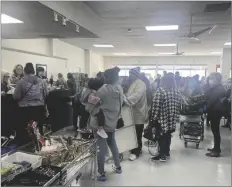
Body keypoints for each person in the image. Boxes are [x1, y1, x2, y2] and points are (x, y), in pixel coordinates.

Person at [88, 67, 123, 181]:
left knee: (100, 147)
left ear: (107, 78)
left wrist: (91, 96)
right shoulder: (119, 89)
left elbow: (91, 104)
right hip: (113, 122)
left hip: (101, 124)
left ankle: (101, 173)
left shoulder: (104, 89)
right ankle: (118, 167)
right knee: (112, 143)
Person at [13, 63, 48, 146]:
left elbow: (16, 96)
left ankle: (27, 148)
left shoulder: (21, 82)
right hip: (39, 108)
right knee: (39, 128)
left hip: (26, 110)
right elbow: (46, 93)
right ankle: (40, 146)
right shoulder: (42, 81)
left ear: (25, 71)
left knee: (27, 131)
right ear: (33, 71)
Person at [150, 73, 181, 162]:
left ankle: (161, 155)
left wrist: (154, 119)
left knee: (161, 136)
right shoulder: (176, 91)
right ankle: (166, 152)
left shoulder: (160, 91)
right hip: (171, 118)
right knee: (168, 135)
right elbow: (178, 105)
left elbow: (156, 106)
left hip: (162, 118)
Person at [124, 67, 148, 161]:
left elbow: (135, 97)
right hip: (132, 113)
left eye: (131, 74)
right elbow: (129, 94)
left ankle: (136, 152)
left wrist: (125, 100)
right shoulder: (133, 84)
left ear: (135, 75)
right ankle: (135, 148)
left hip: (138, 113)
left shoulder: (140, 84)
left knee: (137, 133)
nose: (129, 76)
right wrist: (124, 97)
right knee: (133, 132)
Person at [205, 72, 226, 157]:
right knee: (215, 131)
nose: (210, 81)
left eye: (212, 79)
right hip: (216, 112)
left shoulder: (218, 89)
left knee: (216, 131)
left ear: (216, 80)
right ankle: (216, 148)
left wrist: (204, 109)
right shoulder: (217, 88)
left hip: (215, 112)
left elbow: (211, 101)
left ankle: (217, 151)